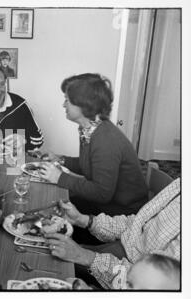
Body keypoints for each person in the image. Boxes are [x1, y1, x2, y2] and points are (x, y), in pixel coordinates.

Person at [39, 73, 148, 244]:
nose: (63, 104)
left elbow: (102, 193)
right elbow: (89, 166)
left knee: (51, 228)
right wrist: (60, 159)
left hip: (120, 216)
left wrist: (60, 177)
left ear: (84, 104)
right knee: (50, 209)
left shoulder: (106, 140)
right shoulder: (89, 130)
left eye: (67, 99)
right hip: (106, 206)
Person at [44, 178, 180, 290]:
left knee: (50, 268)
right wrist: (82, 219)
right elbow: (136, 223)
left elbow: (148, 282)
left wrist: (85, 256)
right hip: (118, 251)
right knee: (47, 250)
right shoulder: (179, 185)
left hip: (129, 273)